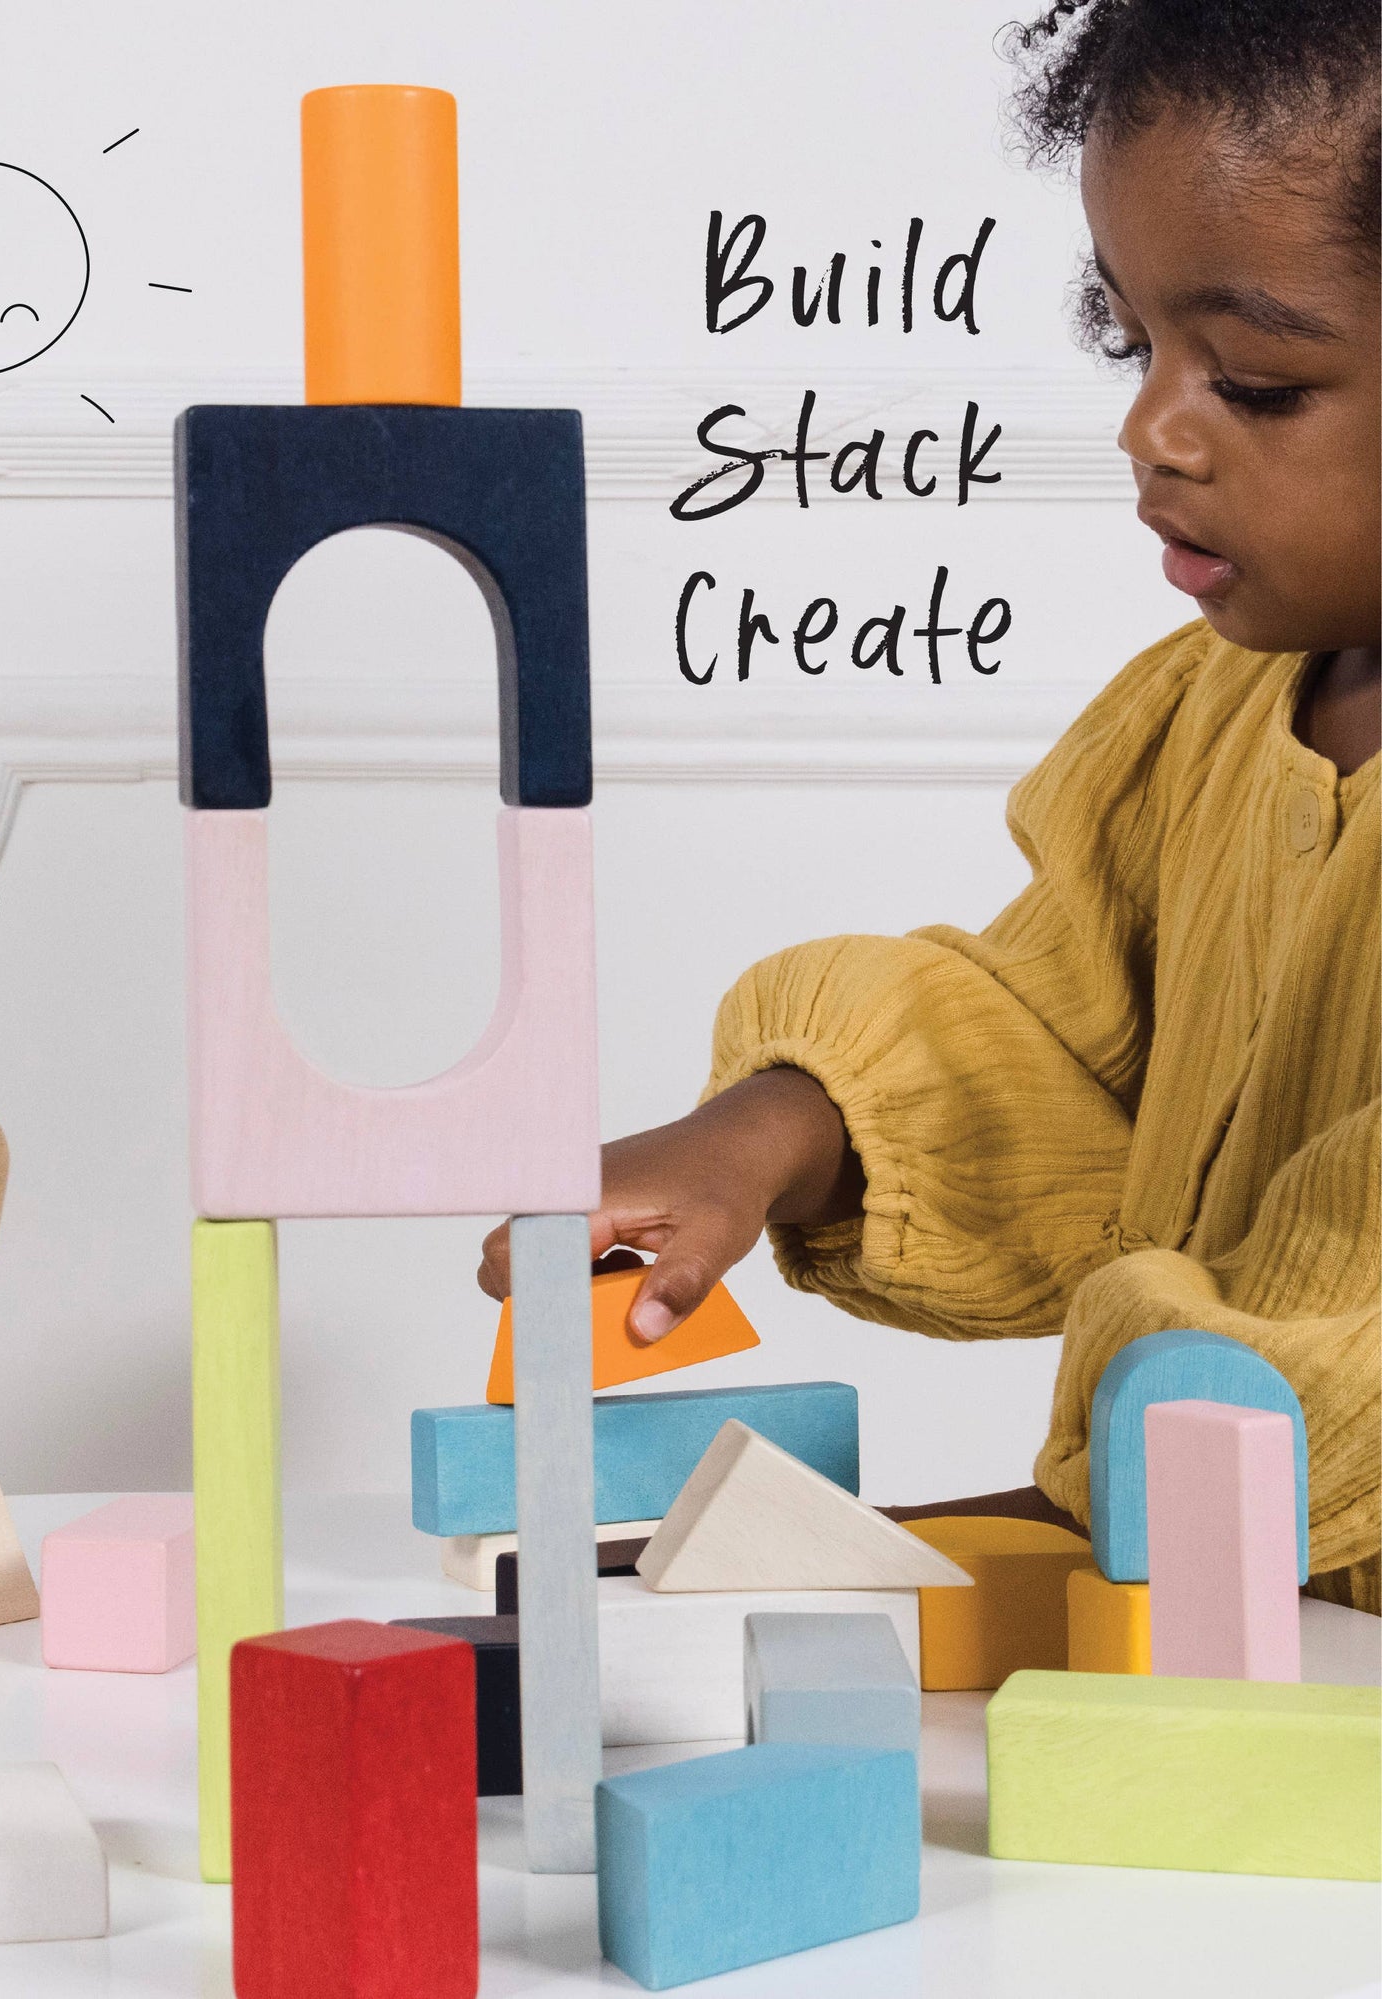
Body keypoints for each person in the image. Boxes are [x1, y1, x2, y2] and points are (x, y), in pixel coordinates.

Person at [480, 0, 1379, 1609]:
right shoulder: (1210, 714)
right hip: (1211, 1660)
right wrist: (762, 1136)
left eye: (1248, 382)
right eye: (1133, 343)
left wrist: (932, 1558)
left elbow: (1330, 1356)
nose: (1151, 430)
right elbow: (1064, 1045)